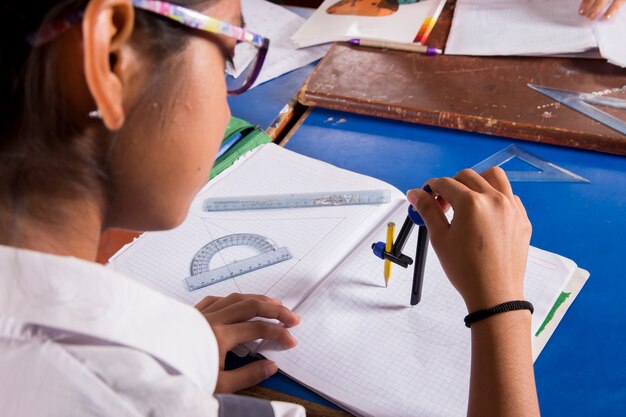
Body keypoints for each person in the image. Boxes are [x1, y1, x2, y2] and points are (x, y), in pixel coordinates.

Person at [0, 0, 539, 416]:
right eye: (228, 57)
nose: (230, 103)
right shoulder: (126, 395)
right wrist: (502, 307)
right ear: (112, 58)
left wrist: (173, 352)